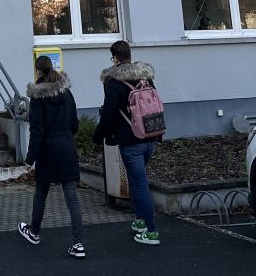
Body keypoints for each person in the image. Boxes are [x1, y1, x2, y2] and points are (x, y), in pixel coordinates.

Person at [17, 55, 86, 259]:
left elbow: (37, 132)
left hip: (48, 151)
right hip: (67, 147)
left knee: (41, 193)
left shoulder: (37, 98)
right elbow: (74, 123)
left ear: (37, 71)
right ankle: (78, 244)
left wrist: (30, 158)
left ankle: (34, 232)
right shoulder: (66, 92)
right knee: (71, 197)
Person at [92, 39, 160, 246]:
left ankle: (151, 231)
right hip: (150, 136)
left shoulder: (114, 83)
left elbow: (109, 114)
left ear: (115, 58)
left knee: (139, 184)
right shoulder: (145, 78)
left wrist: (98, 136)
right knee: (134, 179)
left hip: (130, 141)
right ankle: (140, 220)